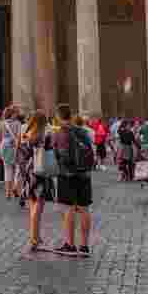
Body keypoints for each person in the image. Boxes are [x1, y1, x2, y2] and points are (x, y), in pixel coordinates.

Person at [53, 104, 94, 255]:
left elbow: (56, 153)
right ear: (70, 115)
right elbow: (90, 151)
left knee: (69, 208)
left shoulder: (60, 133)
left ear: (58, 116)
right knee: (84, 208)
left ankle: (70, 244)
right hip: (84, 174)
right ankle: (84, 245)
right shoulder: (83, 131)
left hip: (67, 174)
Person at [15, 110, 51, 249]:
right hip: (40, 172)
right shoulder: (44, 136)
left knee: (32, 207)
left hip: (29, 172)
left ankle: (35, 235)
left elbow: (21, 155)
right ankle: (34, 239)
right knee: (38, 207)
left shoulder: (26, 135)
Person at [0, 106, 23, 199]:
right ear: (13, 114)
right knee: (18, 169)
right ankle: (15, 188)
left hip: (4, 146)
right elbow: (18, 137)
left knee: (7, 170)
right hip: (14, 146)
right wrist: (17, 149)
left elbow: (0, 138)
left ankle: (7, 193)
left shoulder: (2, 124)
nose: (18, 114)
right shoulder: (18, 123)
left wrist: (0, 150)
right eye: (16, 113)